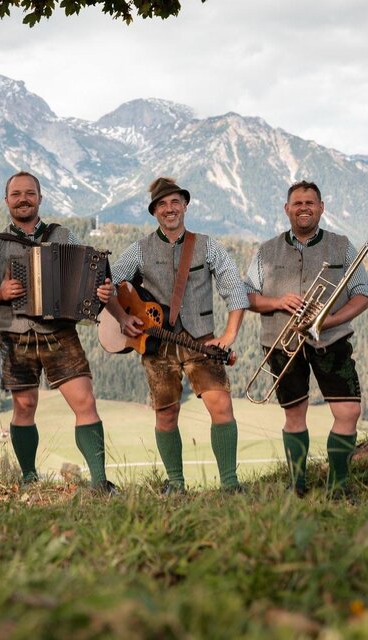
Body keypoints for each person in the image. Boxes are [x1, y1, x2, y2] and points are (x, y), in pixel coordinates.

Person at [0, 171, 116, 492]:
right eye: (16, 194)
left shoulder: (62, 235)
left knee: (85, 401)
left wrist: (102, 291)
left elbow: (92, 276)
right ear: (6, 201)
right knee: (24, 406)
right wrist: (0, 293)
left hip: (60, 332)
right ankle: (29, 479)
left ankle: (99, 483)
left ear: (40, 198)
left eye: (29, 193)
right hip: (15, 335)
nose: (23, 199)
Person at [106, 177, 248, 493]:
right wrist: (122, 317)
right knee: (166, 414)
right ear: (154, 211)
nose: (169, 209)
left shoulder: (208, 246)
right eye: (162, 204)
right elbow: (108, 285)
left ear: (185, 205)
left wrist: (228, 336)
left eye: (174, 202)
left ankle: (230, 484)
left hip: (202, 340)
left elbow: (235, 291)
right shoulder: (139, 249)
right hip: (157, 345)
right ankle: (175, 485)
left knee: (221, 407)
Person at [245, 180, 368, 497]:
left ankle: (338, 488)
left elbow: (363, 294)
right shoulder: (266, 250)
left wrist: (330, 320)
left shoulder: (342, 245)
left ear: (321, 208)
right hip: (282, 343)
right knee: (294, 415)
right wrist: (277, 302)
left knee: (348, 412)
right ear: (287, 209)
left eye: (310, 203)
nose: (304, 208)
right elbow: (246, 296)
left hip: (331, 341)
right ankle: (297, 487)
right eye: (298, 203)